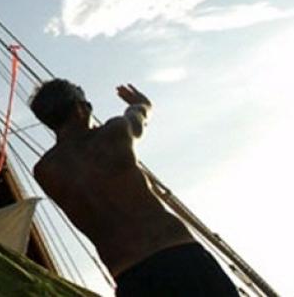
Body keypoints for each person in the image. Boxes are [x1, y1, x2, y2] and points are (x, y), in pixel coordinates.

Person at [30, 79, 238, 296]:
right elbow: (137, 117)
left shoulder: (45, 172)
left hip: (130, 279)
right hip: (179, 257)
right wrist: (142, 104)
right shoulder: (114, 133)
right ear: (80, 109)